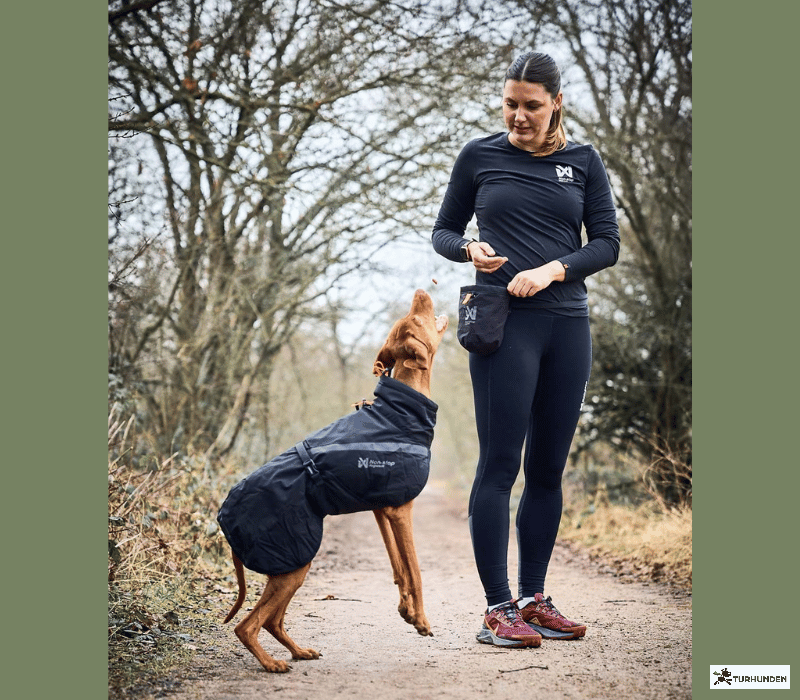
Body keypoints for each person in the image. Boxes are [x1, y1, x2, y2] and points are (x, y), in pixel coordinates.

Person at [431, 51, 620, 647]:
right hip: (501, 324)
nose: (518, 116)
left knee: (546, 470)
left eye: (531, 106)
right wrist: (468, 252)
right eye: (510, 103)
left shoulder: (583, 162)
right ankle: (497, 608)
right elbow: (442, 231)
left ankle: (534, 600)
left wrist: (554, 270)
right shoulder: (480, 156)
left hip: (566, 325)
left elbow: (607, 244)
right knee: (498, 467)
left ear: (556, 103)